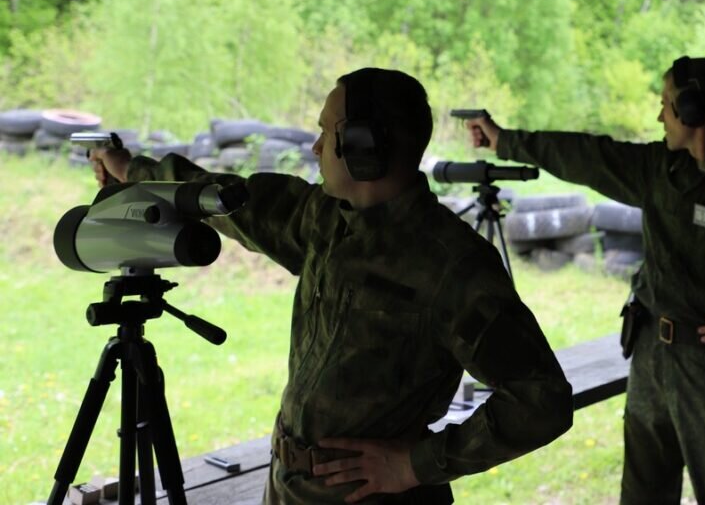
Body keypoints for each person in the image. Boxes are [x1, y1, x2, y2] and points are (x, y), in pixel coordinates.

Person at [90, 68, 573, 505]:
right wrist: (130, 171)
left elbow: (541, 399)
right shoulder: (322, 219)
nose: (316, 147)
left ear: (363, 144)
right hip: (288, 488)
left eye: (327, 131)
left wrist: (414, 465)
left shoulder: (452, 264)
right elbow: (221, 196)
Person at [466, 56, 705, 504]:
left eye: (665, 104)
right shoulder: (660, 169)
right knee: (643, 494)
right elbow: (586, 155)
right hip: (651, 355)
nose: (659, 117)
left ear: (692, 108)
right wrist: (504, 140)